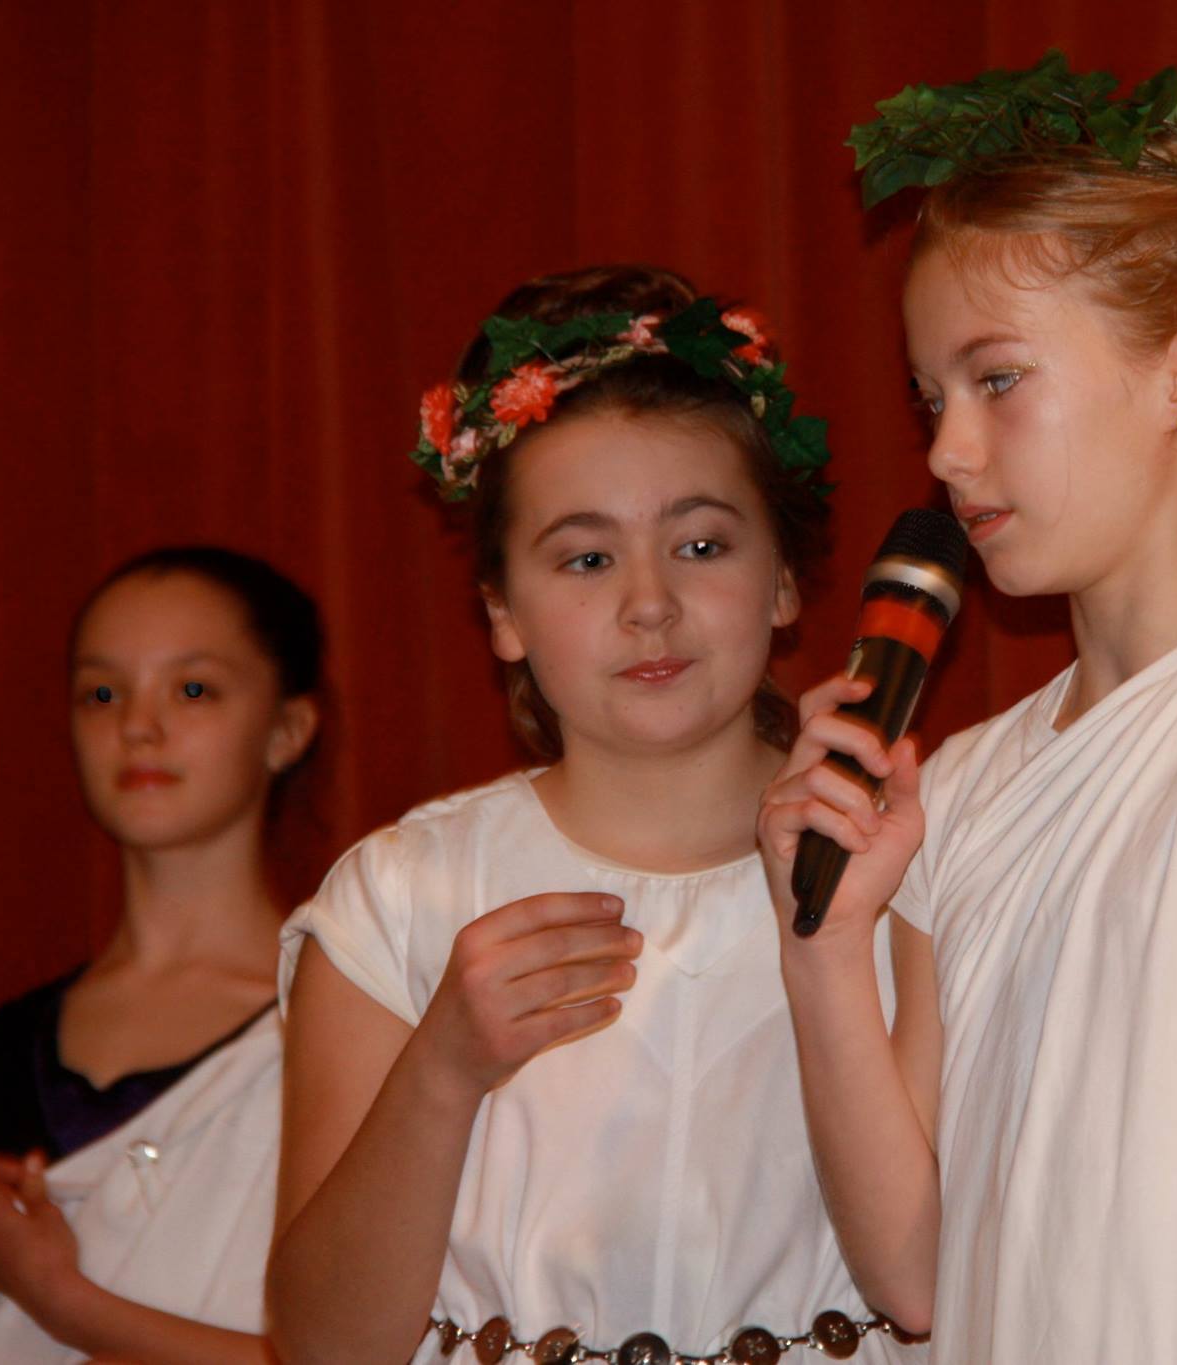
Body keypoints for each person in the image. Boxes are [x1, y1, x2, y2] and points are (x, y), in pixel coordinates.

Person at [758, 55, 1177, 1362]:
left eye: (997, 380)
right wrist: (826, 950)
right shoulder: (958, 791)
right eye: (931, 398)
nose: (946, 451)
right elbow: (913, 1274)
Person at [270, 265, 920, 1365]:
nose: (649, 604)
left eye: (701, 545)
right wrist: (441, 1071)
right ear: (502, 613)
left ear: (782, 581)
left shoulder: (904, 865)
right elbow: (320, 1344)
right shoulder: (401, 897)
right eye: (586, 558)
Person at [0, 545, 324, 1364]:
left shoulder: (337, 1023)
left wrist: (63, 1300)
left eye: (193, 689)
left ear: (286, 729)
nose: (138, 725)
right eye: (102, 693)